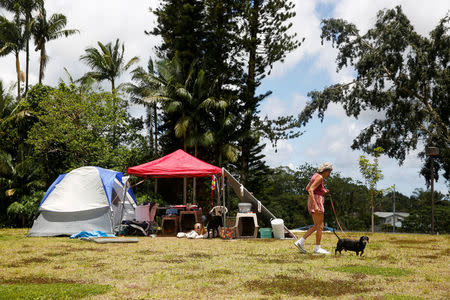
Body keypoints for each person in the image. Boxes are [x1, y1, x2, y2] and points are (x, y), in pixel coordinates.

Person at [294, 162, 333, 254]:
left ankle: (301, 242)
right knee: (320, 226)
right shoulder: (320, 177)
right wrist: (316, 204)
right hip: (317, 201)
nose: (329, 174)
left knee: (317, 225)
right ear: (326, 171)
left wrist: (323, 191)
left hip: (312, 200)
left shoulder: (315, 175)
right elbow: (311, 190)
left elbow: (307, 187)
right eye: (329, 172)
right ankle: (317, 248)